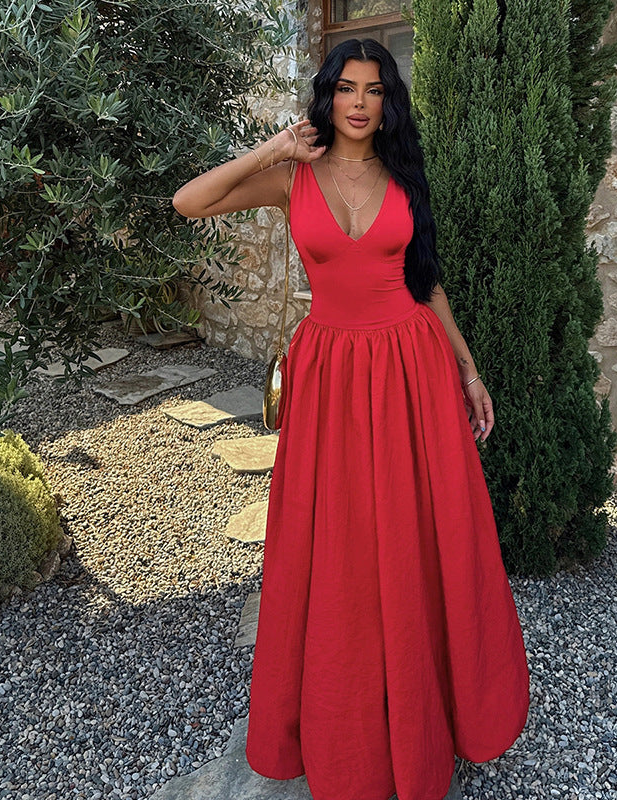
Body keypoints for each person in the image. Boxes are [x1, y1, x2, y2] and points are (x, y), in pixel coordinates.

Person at [173, 38, 529, 800]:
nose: (360, 103)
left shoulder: (403, 175)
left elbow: (426, 283)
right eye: (346, 88)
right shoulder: (291, 178)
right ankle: (349, 724)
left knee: (420, 534)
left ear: (387, 102)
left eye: (374, 89)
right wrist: (275, 147)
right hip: (331, 376)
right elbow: (189, 201)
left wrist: (468, 370)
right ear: (327, 96)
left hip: (411, 370)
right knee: (337, 544)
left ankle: (432, 708)